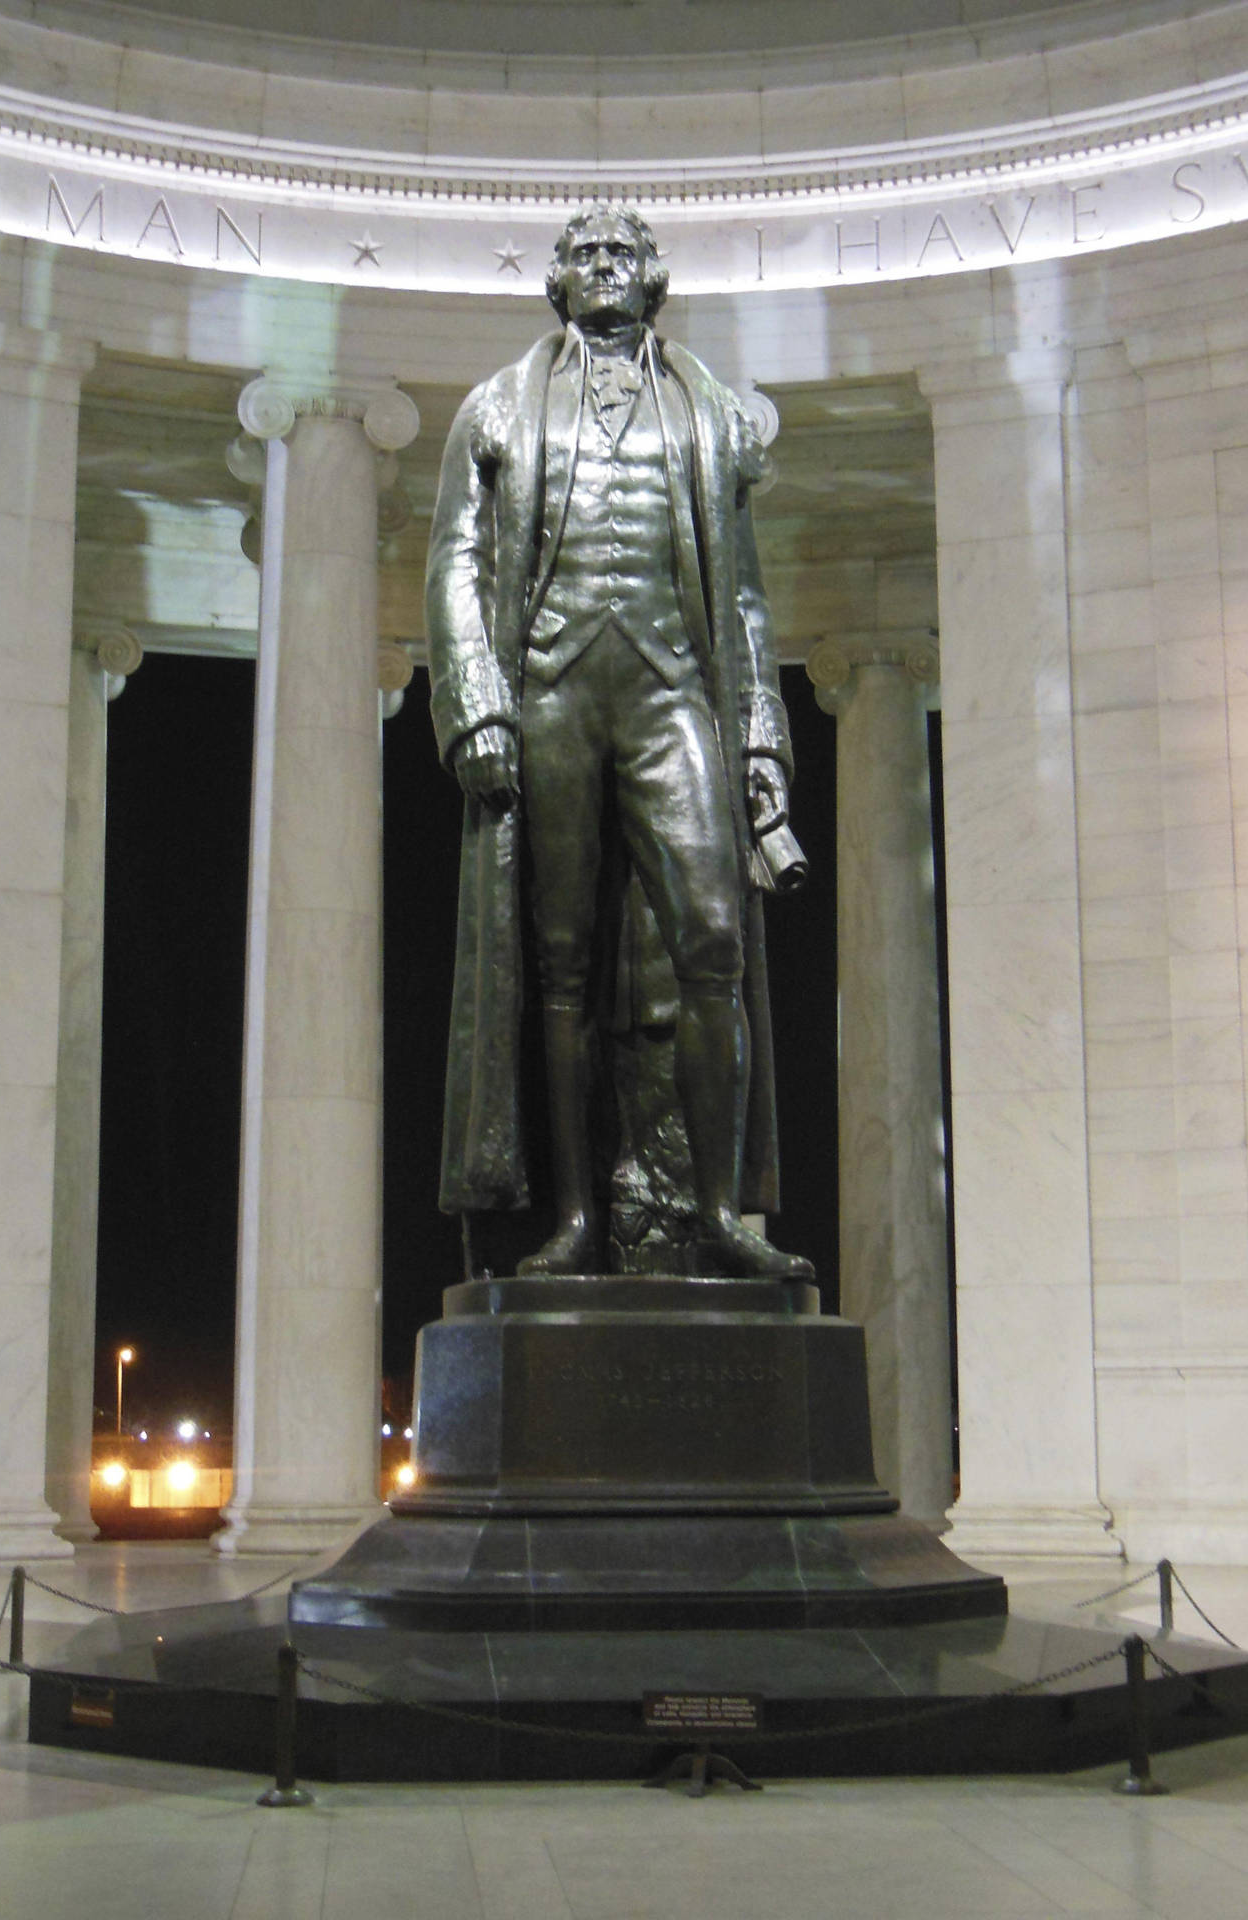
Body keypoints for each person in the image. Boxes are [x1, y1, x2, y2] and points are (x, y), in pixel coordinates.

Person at [426, 205, 811, 1281]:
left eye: (623, 255)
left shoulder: (711, 412)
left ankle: (722, 1213)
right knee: (560, 964)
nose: (604, 268)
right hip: (549, 687)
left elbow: (742, 597)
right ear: (558, 281)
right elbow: (455, 560)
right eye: (585, 255)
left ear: (654, 279)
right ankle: (576, 1219)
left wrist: (763, 748)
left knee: (714, 940)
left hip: (672, 692)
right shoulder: (496, 407)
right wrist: (478, 704)